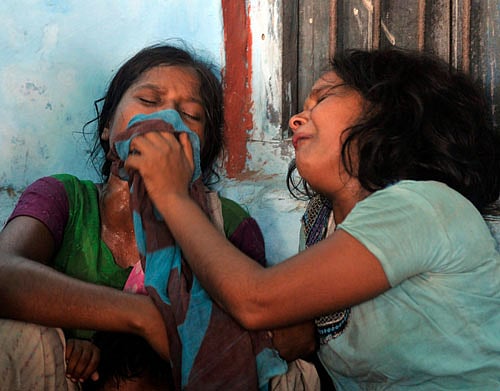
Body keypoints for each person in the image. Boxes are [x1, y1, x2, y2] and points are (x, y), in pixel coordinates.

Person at [124, 47, 500, 389]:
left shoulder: (423, 206)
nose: (295, 120)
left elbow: (256, 301)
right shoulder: (321, 224)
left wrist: (173, 196)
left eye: (321, 97)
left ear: (387, 108)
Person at [0, 42, 293, 390]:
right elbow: (5, 274)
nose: (165, 122)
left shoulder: (225, 222)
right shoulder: (65, 198)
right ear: (109, 126)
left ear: (202, 149)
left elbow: (269, 332)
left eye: (189, 116)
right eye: (150, 102)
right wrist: (143, 318)